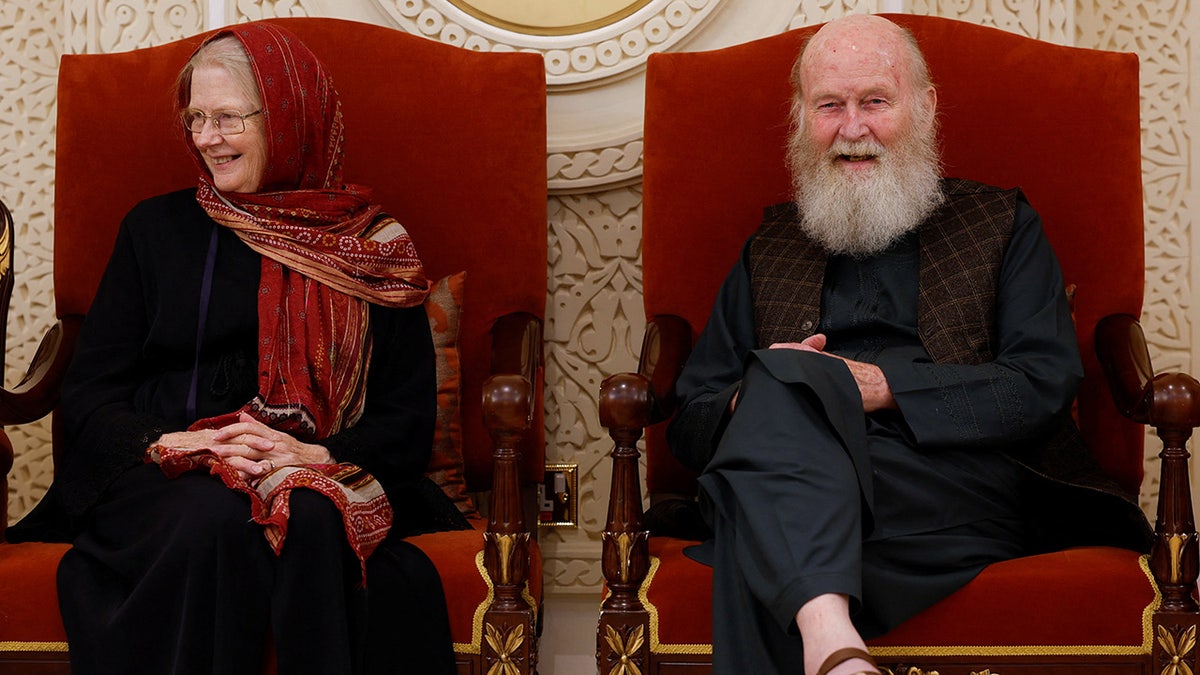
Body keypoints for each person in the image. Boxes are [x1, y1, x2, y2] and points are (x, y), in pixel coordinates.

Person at [665, 13, 1152, 675]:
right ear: (802, 117)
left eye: (875, 102)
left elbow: (1042, 382)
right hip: (800, 474)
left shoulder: (1002, 223)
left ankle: (825, 634)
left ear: (924, 109)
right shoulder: (769, 247)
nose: (853, 128)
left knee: (752, 501)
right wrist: (769, 399)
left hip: (949, 481)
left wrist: (876, 386)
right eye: (830, 105)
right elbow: (693, 415)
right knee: (782, 380)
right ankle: (833, 645)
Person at [7, 21, 466, 674]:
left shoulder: (370, 247)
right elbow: (88, 397)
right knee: (216, 517)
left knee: (306, 514)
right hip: (164, 476)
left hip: (319, 470)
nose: (206, 139)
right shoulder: (153, 230)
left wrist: (312, 452)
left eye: (227, 117)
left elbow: (407, 417)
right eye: (195, 117)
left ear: (289, 117)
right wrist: (181, 443)